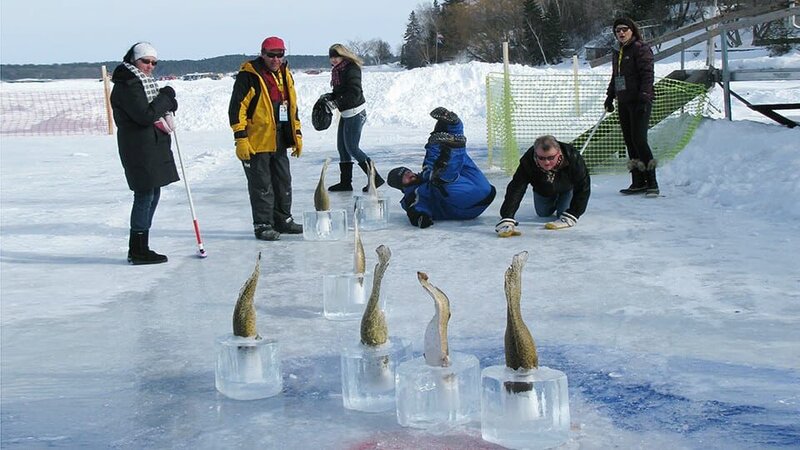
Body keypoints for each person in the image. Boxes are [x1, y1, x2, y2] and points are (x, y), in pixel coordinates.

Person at [229, 36, 304, 241]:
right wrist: (241, 138)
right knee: (262, 185)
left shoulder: (285, 74)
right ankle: (262, 224)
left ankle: (283, 220)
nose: (276, 59)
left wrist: (296, 134)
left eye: (280, 54)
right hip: (257, 140)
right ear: (262, 54)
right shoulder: (249, 75)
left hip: (279, 137)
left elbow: (292, 108)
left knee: (283, 181)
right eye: (271, 55)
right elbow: (237, 109)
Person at [110, 42, 179, 265]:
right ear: (134, 60)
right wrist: (167, 97)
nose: (150, 66)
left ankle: (141, 245)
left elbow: (153, 109)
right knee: (144, 195)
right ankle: (137, 249)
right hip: (138, 147)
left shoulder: (142, 81)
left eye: (153, 62)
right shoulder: (128, 84)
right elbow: (144, 115)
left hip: (150, 145)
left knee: (152, 192)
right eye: (145, 61)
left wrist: (167, 101)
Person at [387, 107, 496, 228]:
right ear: (400, 185)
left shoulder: (425, 174)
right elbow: (415, 209)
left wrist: (438, 130)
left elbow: (431, 157)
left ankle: (453, 124)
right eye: (404, 176)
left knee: (446, 162)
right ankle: (455, 146)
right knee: (439, 178)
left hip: (484, 188)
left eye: (407, 171)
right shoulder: (412, 196)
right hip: (465, 207)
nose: (408, 174)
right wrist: (420, 218)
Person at [604, 17, 658, 196]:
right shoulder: (617, 51)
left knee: (640, 140)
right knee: (629, 142)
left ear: (632, 30)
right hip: (624, 101)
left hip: (639, 101)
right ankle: (637, 180)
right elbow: (616, 76)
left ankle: (652, 182)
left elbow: (647, 75)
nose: (621, 33)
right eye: (618, 30)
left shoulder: (640, 49)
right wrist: (610, 96)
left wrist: (644, 97)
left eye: (624, 29)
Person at [320, 43, 385, 193]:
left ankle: (376, 178)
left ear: (344, 56)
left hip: (355, 112)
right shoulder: (337, 71)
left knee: (352, 148)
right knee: (342, 148)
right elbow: (340, 91)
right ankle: (345, 183)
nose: (334, 60)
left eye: (337, 56)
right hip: (346, 113)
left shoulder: (351, 69)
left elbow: (354, 92)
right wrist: (330, 97)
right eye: (332, 57)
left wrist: (336, 102)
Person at [495, 135, 590, 237]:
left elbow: (583, 186)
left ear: (558, 153)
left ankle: (563, 201)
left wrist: (574, 213)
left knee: (562, 213)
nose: (546, 162)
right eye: (541, 158)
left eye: (551, 157)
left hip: (566, 189)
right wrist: (507, 217)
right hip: (543, 190)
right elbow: (517, 187)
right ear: (536, 154)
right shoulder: (528, 161)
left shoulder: (572, 156)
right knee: (543, 213)